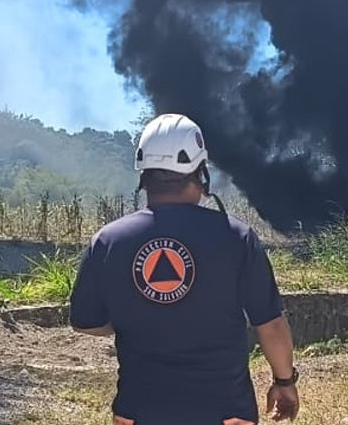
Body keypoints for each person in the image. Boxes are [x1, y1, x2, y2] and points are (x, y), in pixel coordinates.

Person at [69, 113, 300, 425]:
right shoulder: (236, 237)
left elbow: (86, 322)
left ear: (144, 176)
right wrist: (284, 382)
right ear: (200, 172)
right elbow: (270, 324)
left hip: (138, 412)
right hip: (225, 412)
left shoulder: (108, 241)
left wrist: (137, 315)